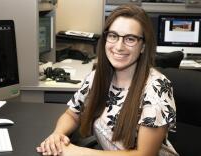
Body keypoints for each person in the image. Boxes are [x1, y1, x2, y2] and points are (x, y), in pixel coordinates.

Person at [37, 4, 178, 156]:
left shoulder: (157, 88)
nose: (118, 46)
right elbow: (72, 114)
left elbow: (144, 154)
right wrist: (58, 135)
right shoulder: (97, 77)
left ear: (143, 46)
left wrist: (76, 152)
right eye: (113, 36)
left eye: (130, 39)